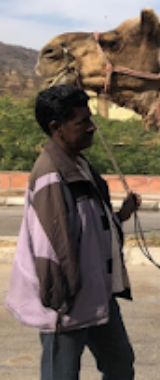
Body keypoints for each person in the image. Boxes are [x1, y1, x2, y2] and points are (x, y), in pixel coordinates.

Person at [4, 85, 142, 380]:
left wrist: (121, 215)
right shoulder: (51, 176)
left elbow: (90, 229)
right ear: (58, 128)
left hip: (98, 294)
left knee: (120, 363)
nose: (92, 127)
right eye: (82, 122)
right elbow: (49, 250)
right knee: (61, 375)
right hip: (67, 304)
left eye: (90, 119)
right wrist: (60, 308)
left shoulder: (79, 165)